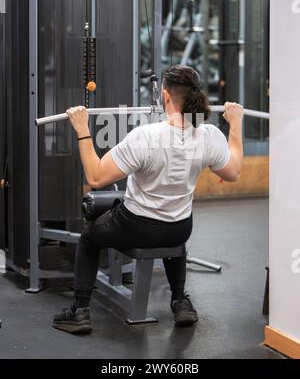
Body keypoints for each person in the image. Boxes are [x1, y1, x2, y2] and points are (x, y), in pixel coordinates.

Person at [53, 65, 244, 334]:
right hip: (179, 229)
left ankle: (79, 310)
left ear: (165, 96)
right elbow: (234, 171)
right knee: (173, 223)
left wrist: (82, 129)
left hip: (135, 228)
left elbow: (96, 177)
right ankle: (180, 301)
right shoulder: (209, 135)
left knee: (89, 236)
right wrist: (235, 125)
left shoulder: (146, 136)